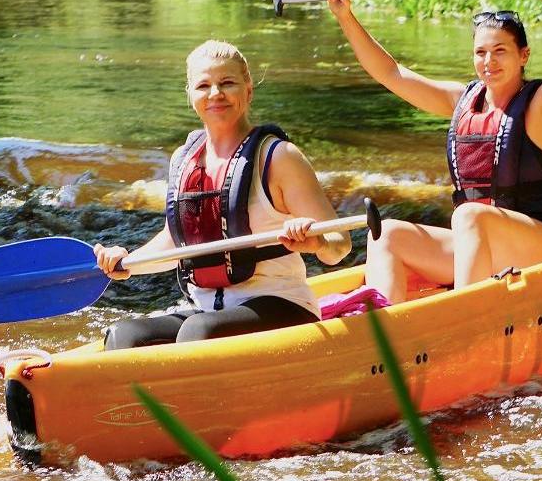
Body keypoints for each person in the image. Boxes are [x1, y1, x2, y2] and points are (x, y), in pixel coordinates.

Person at [322, 0, 542, 304]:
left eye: (500, 51)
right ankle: (386, 332)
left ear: (524, 55)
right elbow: (391, 74)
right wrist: (345, 18)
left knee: (469, 214)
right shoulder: (462, 101)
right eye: (481, 52)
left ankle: (463, 315)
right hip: (477, 243)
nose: (489, 61)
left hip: (538, 244)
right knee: (385, 235)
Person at [95, 40, 351, 349]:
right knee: (125, 336)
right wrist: (126, 262)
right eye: (204, 85)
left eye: (227, 83)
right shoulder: (183, 159)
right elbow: (175, 241)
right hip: (206, 311)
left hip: (282, 306)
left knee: (198, 333)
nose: (215, 93)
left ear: (248, 90)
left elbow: (341, 245)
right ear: (190, 96)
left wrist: (317, 242)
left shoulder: (280, 158)